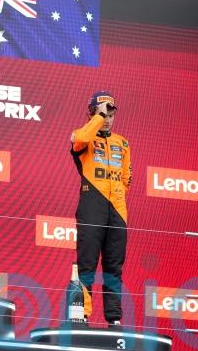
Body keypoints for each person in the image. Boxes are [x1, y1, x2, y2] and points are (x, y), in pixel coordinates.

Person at [70, 91, 131, 326]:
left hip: (117, 210)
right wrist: (98, 117)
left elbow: (126, 178)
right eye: (103, 114)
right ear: (92, 114)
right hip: (91, 206)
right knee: (87, 262)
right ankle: (82, 314)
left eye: (111, 115)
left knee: (114, 266)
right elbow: (81, 138)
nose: (107, 119)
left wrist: (117, 197)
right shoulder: (82, 136)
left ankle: (114, 319)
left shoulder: (123, 143)